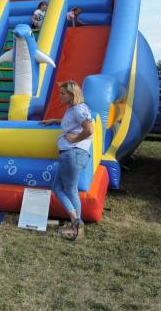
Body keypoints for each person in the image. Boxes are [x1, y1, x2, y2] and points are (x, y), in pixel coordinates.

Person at [40, 80, 94, 240]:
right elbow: (74, 125)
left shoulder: (78, 109)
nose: (60, 96)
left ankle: (77, 228)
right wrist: (55, 121)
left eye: (63, 93)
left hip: (72, 153)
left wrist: (74, 139)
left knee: (70, 190)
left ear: (72, 94)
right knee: (57, 187)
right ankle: (75, 221)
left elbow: (89, 129)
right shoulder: (74, 109)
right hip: (72, 155)